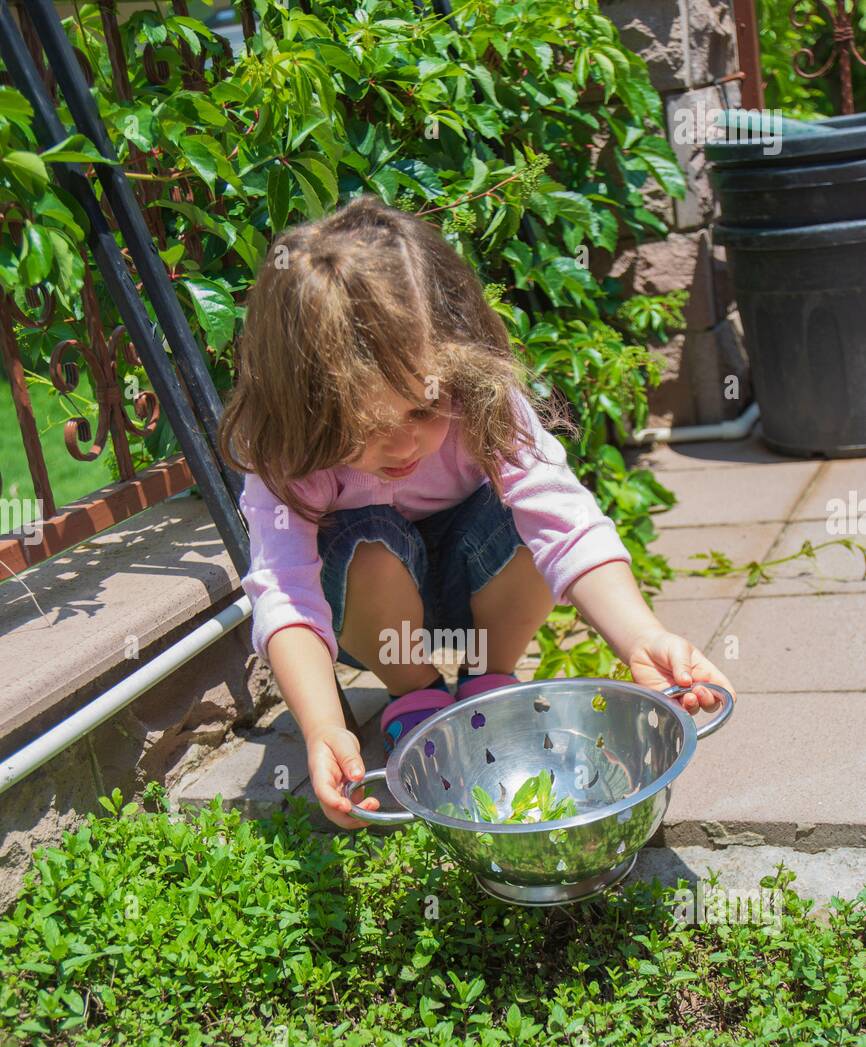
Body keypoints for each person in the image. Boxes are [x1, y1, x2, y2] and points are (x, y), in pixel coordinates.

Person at [218, 195, 736, 830]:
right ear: (308, 409)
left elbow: (565, 521)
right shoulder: (286, 452)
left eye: (423, 411)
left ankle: (489, 674)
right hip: (374, 615)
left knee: (526, 519)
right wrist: (323, 722)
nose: (404, 445)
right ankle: (415, 692)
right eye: (366, 426)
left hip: (474, 586)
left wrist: (642, 637)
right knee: (371, 540)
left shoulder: (483, 402)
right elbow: (286, 590)